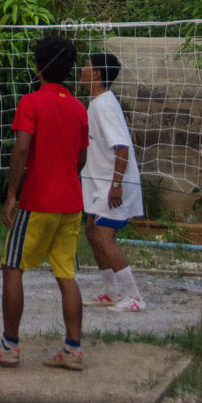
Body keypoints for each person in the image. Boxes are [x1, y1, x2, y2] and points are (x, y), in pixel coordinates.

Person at [0, 34, 88, 372]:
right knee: (66, 274)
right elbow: (82, 159)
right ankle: (73, 349)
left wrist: (11, 194)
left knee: (13, 267)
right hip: (72, 204)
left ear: (38, 66)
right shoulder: (79, 107)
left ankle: (9, 346)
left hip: (38, 201)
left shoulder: (31, 102)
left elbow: (22, 149)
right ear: (68, 69)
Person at [80, 51, 146, 311]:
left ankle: (135, 297)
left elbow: (122, 147)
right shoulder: (97, 102)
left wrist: (116, 185)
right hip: (99, 182)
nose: (82, 70)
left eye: (86, 66)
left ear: (96, 73)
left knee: (105, 238)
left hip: (113, 185)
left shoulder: (105, 105)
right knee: (92, 233)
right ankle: (111, 292)